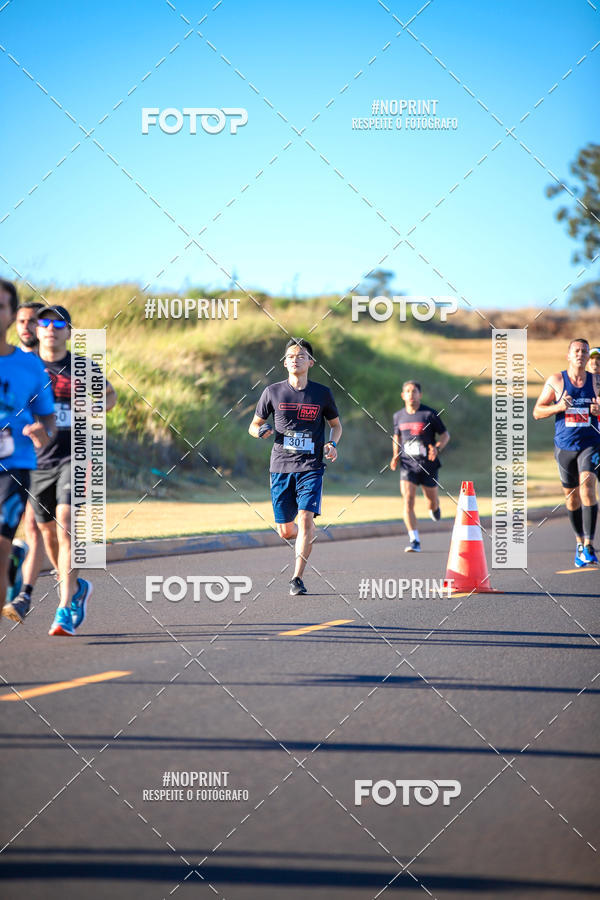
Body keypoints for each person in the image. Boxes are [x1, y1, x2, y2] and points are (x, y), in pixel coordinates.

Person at [28, 305, 117, 635]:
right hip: (36, 460)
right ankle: (77, 586)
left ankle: (64, 608)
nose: (51, 328)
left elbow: (110, 396)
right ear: (37, 330)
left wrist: (95, 406)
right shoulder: (27, 367)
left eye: (58, 323)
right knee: (46, 531)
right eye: (45, 322)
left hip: (75, 456)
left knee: (65, 522)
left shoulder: (82, 366)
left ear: (69, 331)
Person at [249, 338, 342, 595]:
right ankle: (304, 531)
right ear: (284, 362)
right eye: (290, 356)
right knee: (285, 530)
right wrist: (261, 431)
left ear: (311, 362)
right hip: (280, 465)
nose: (295, 359)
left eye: (301, 356)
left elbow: (336, 425)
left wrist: (332, 444)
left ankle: (296, 578)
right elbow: (253, 425)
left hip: (311, 465)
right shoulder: (272, 392)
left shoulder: (322, 393)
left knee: (305, 517)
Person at [0, 281, 55, 617]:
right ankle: (12, 563)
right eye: (25, 320)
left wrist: (41, 431)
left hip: (19, 463)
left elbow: (49, 419)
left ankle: (20, 582)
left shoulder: (32, 366)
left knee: (34, 528)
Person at [533, 338, 600, 566]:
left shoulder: (597, 381)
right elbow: (537, 411)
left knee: (588, 485)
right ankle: (580, 543)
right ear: (569, 356)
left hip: (590, 443)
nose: (581, 354)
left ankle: (590, 545)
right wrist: (559, 407)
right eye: (577, 351)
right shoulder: (556, 381)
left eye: (585, 351)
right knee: (571, 498)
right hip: (564, 447)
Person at [390, 380, 450, 552]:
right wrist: (395, 454)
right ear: (403, 395)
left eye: (414, 391)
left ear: (420, 394)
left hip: (428, 465)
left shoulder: (429, 414)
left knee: (431, 502)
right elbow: (397, 437)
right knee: (408, 501)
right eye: (407, 391)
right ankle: (414, 539)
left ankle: (435, 507)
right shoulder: (398, 416)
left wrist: (437, 448)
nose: (411, 394)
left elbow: (445, 435)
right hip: (407, 464)